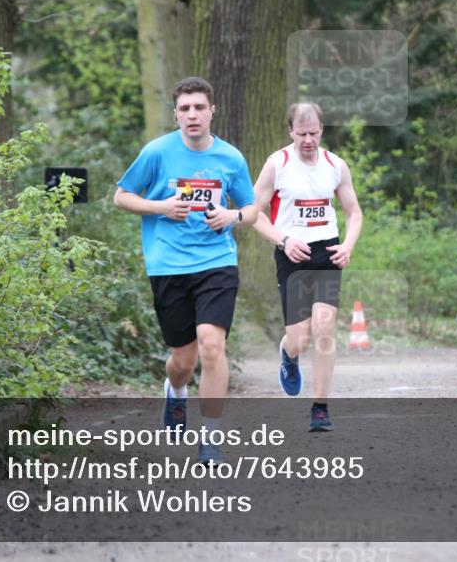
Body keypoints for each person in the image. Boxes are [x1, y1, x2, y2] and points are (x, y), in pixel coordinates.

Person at [113, 76, 257, 463]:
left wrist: (232, 215)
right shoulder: (157, 152)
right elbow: (121, 196)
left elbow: (253, 209)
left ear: (212, 111)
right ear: (175, 115)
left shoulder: (231, 158)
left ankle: (211, 436)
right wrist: (162, 207)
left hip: (216, 263)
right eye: (185, 109)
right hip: (169, 264)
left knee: (212, 346)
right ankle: (175, 392)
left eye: (199, 107)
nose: (192, 115)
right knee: (184, 360)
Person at [251, 103, 363, 431]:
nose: (308, 140)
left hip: (327, 252)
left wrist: (347, 246)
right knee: (299, 339)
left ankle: (320, 408)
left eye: (314, 133)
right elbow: (254, 213)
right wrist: (283, 241)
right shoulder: (277, 164)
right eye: (302, 134)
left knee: (325, 326)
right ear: (290, 132)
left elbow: (354, 212)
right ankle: (288, 354)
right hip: (292, 256)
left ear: (322, 130)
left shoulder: (335, 165)